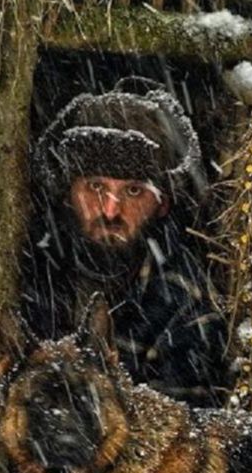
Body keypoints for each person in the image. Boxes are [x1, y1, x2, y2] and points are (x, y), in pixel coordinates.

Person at [19, 85, 228, 399]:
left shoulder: (182, 295)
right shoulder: (30, 269)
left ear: (162, 204)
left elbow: (183, 422)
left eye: (134, 191)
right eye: (95, 186)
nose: (110, 210)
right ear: (67, 193)